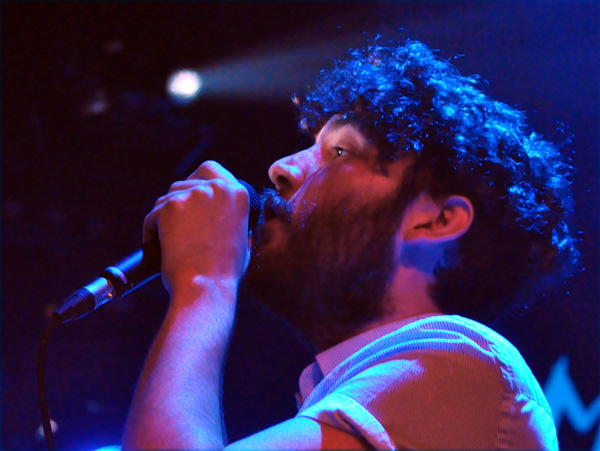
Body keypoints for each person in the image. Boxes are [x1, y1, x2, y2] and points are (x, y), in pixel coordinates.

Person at [122, 38, 578, 449]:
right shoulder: (367, 387)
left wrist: (205, 283)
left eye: (340, 151)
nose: (281, 168)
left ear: (437, 220)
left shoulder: (460, 364)